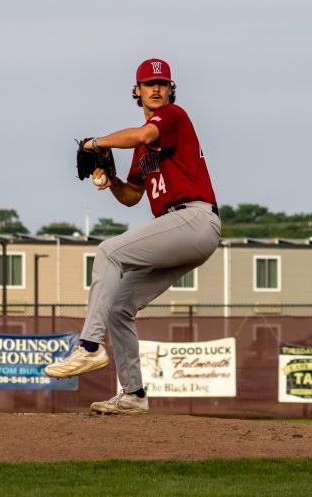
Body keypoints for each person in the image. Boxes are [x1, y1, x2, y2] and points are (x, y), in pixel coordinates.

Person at [45, 58, 221, 415]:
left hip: (195, 218)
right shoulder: (142, 150)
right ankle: (133, 394)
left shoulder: (173, 116)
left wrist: (95, 142)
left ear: (171, 90)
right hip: (181, 229)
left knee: (109, 252)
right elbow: (132, 196)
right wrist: (110, 178)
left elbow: (142, 135)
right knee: (119, 307)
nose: (156, 89)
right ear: (136, 91)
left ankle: (89, 347)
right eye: (149, 84)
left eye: (162, 83)